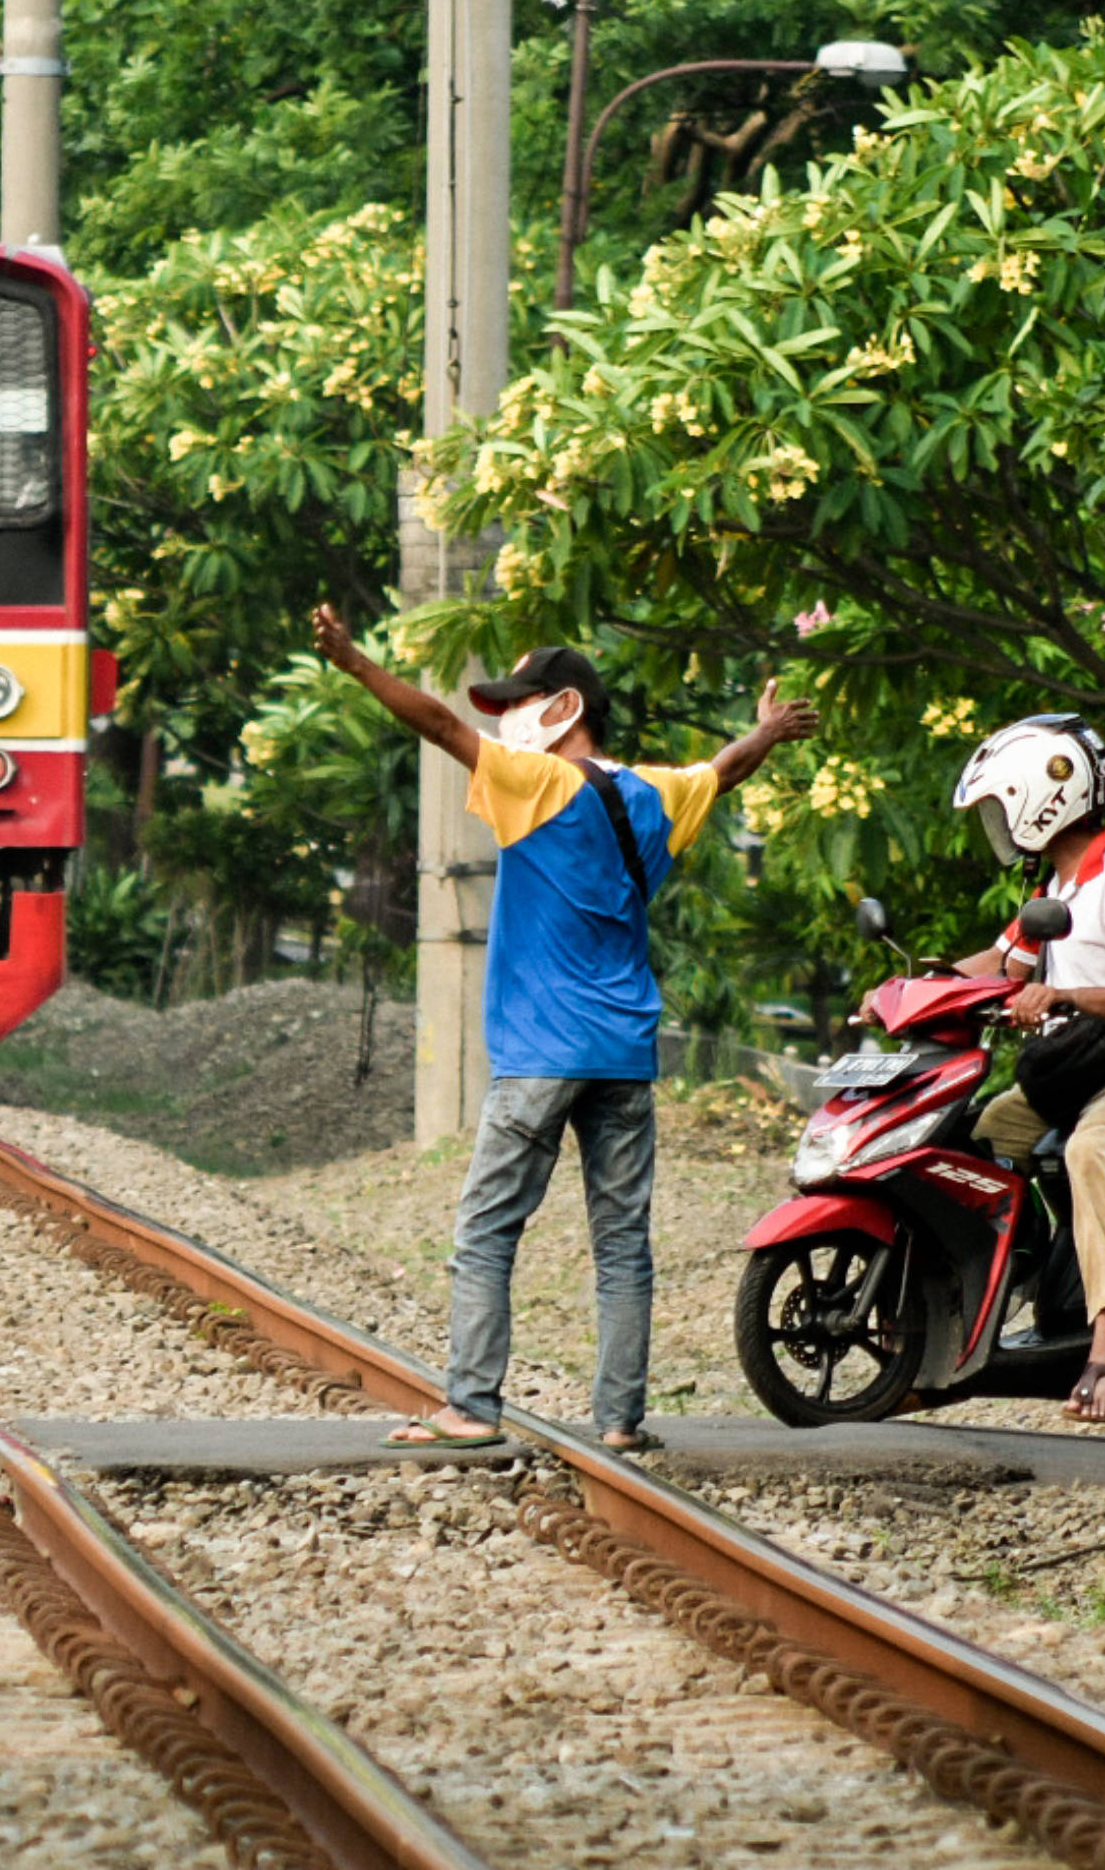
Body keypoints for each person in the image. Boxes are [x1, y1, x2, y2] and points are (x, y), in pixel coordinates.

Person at [309, 606, 820, 1452]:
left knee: (486, 1231)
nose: (504, 717)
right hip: (624, 1054)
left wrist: (358, 664)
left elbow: (437, 724)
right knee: (622, 1243)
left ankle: (471, 1407)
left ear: (566, 706)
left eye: (521, 698)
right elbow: (723, 771)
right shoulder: (657, 792)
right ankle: (620, 1423)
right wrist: (766, 732)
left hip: (541, 1054)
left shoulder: (532, 781)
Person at [948, 714, 1105, 1426]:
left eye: (1003, 809)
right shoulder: (1058, 889)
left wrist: (1063, 994)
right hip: (1085, 1070)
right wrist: (903, 990)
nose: (1000, 828)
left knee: (1093, 1148)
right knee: (985, 1134)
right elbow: (998, 966)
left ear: (1042, 800)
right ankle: (1034, 1282)